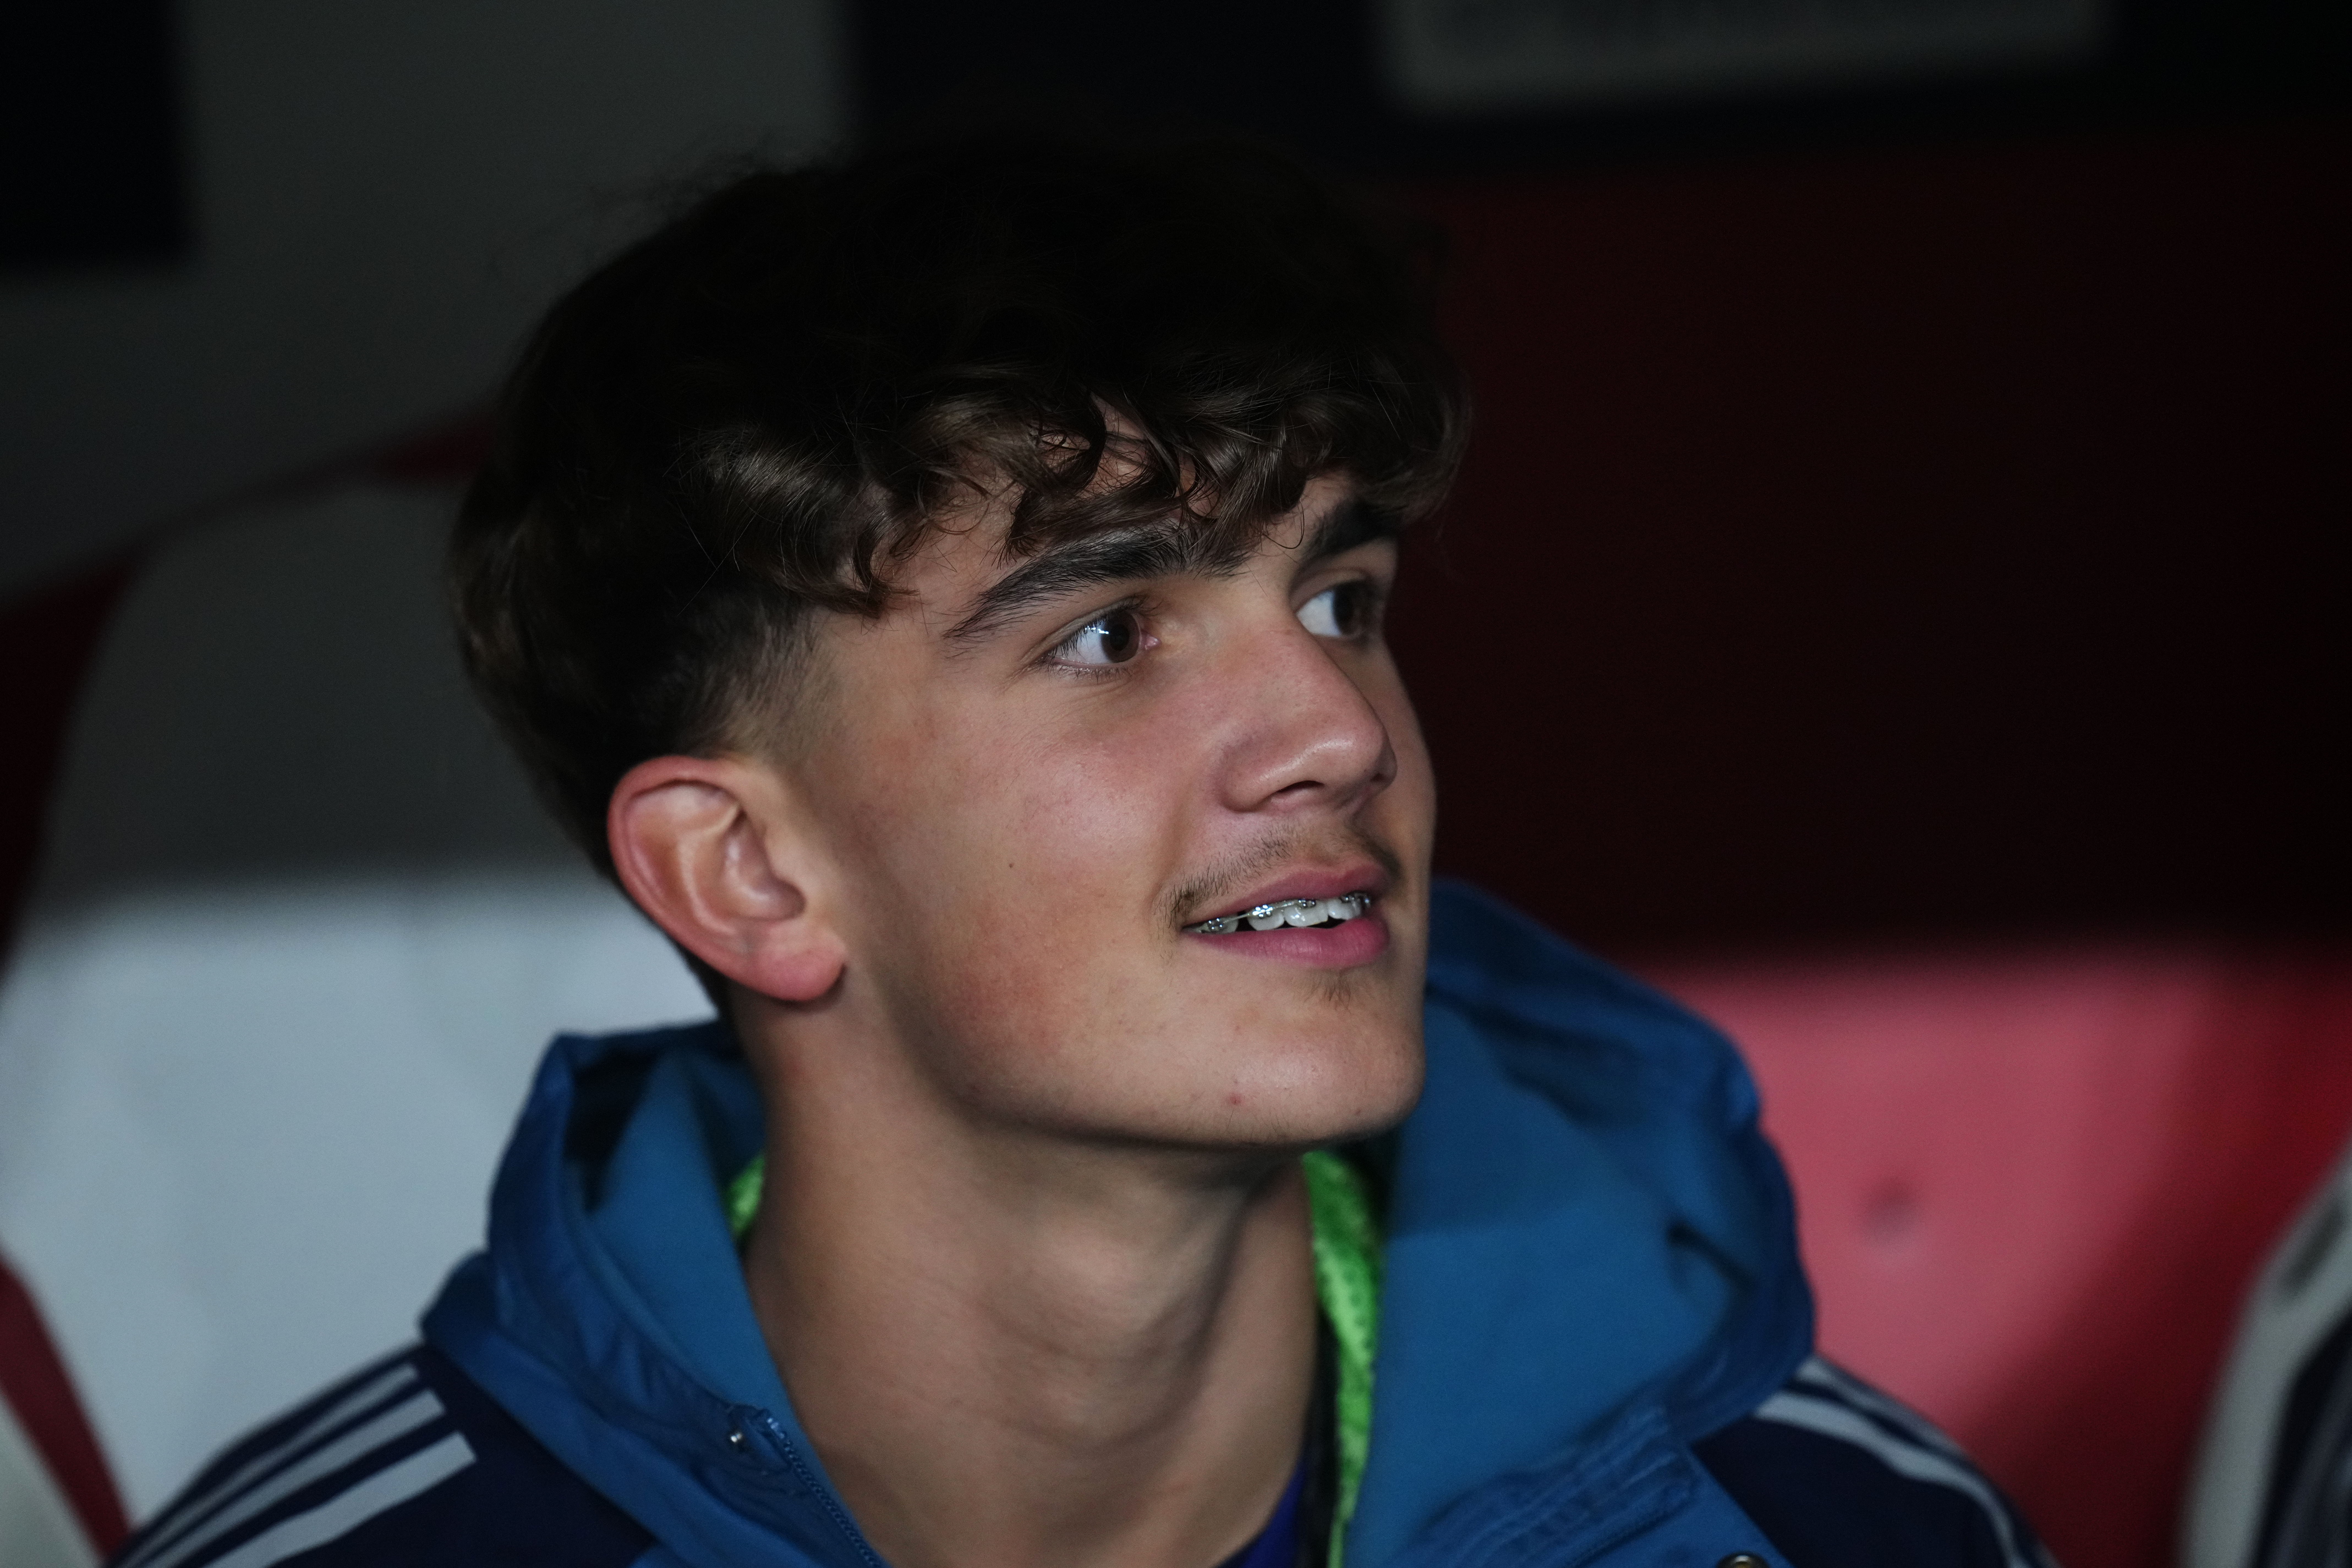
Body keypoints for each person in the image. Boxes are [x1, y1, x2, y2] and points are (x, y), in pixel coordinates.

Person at [108, 128, 2052, 1568]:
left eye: (1344, 597)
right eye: (1111, 633)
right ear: (748, 876)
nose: (1339, 730)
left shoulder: (1840, 1526)